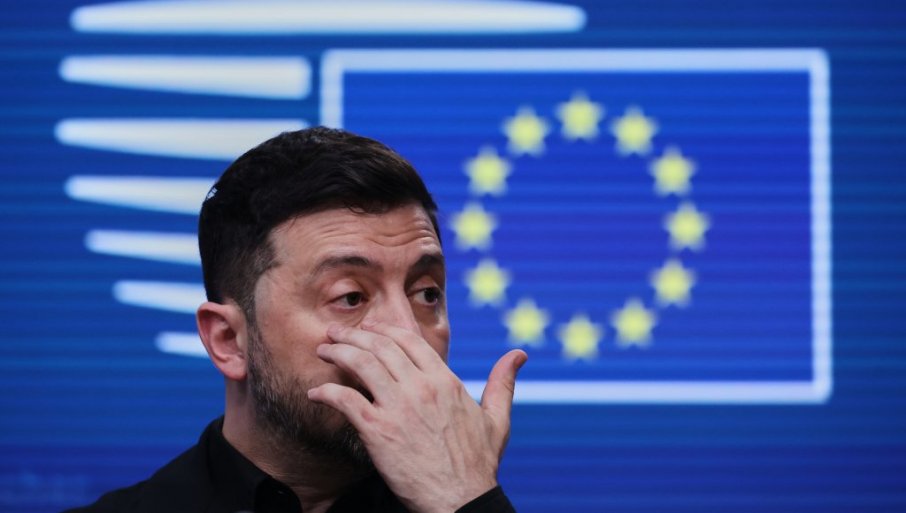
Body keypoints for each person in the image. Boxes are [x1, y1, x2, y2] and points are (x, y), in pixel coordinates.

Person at [64, 127, 528, 513]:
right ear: (228, 340)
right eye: (350, 297)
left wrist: (465, 500)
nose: (408, 333)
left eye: (427, 293)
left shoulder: (466, 501)